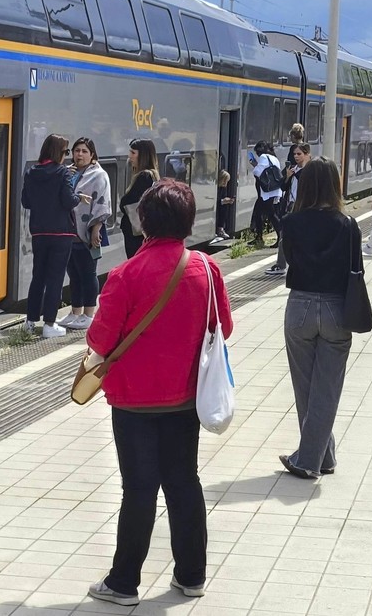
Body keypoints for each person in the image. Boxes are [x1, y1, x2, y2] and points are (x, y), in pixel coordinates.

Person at [85, 180, 233, 607]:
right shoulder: (206, 268)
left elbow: (100, 339)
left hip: (133, 402)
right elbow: (223, 328)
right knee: (184, 481)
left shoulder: (125, 275)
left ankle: (124, 582)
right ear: (188, 221)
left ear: (144, 220)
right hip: (186, 398)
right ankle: (191, 576)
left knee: (139, 487)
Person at [279, 157, 356, 479]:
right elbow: (356, 269)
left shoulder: (290, 223)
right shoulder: (348, 224)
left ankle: (308, 461)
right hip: (338, 309)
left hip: (300, 308)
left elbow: (286, 262)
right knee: (327, 388)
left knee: (306, 387)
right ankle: (323, 456)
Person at [21, 134, 89, 338]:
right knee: (55, 278)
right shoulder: (62, 173)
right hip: (61, 232)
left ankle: (30, 321)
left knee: (38, 276)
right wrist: (78, 197)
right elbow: (68, 200)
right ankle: (49, 324)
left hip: (39, 231)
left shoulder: (32, 172)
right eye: (67, 152)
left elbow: (26, 202)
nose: (68, 155)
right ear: (59, 152)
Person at [58, 137, 112, 331]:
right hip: (68, 232)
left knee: (88, 273)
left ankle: (89, 314)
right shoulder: (69, 172)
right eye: (76, 150)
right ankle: (75, 311)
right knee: (73, 274)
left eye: (84, 151)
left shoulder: (99, 175)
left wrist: (97, 228)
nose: (79, 154)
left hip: (88, 232)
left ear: (92, 155)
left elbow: (102, 203)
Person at [266, 142, 310, 276]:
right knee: (284, 237)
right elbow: (283, 187)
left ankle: (301, 264)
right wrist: (287, 176)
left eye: (299, 154)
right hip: (290, 205)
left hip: (303, 207)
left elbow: (307, 184)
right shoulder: (293, 169)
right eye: (294, 154)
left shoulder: (311, 170)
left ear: (307, 154)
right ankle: (281, 265)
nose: (296, 157)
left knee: (302, 238)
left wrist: (295, 174)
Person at [120, 139, 159, 258]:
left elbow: (127, 202)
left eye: (133, 153)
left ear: (143, 155)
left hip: (135, 232)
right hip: (139, 230)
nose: (129, 156)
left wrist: (123, 201)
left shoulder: (144, 176)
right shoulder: (152, 175)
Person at [250, 141, 283, 248]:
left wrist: (255, 165)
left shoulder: (264, 157)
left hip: (267, 192)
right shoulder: (274, 158)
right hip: (274, 190)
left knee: (270, 214)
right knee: (263, 213)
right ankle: (259, 236)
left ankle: (280, 237)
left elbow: (257, 172)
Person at [213, 169, 234, 241]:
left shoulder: (223, 188)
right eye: (225, 181)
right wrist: (222, 201)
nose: (226, 183)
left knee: (225, 207)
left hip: (220, 206)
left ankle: (221, 228)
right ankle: (219, 228)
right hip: (216, 206)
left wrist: (227, 200)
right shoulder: (216, 187)